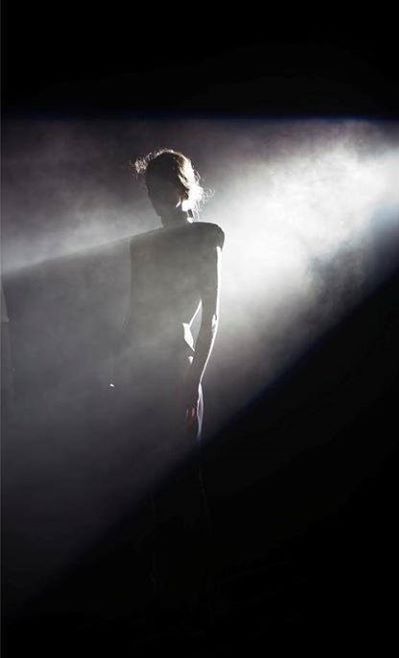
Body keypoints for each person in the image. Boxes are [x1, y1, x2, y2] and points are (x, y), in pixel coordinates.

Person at [110, 147, 224, 628]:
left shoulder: (206, 235)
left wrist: (192, 381)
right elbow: (134, 314)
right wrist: (119, 366)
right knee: (145, 477)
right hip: (141, 368)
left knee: (182, 477)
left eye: (161, 188)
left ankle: (200, 592)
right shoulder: (141, 245)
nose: (154, 197)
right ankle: (159, 593)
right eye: (149, 189)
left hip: (176, 365)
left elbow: (212, 318)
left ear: (182, 187)